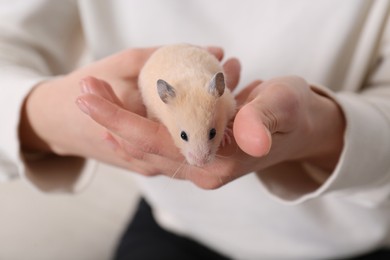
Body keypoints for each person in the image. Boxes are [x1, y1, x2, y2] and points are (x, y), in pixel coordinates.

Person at [1, 0, 390, 259]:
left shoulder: (220, 96)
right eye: (187, 137)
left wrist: (322, 131)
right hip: (176, 224)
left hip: (350, 241)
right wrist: (45, 115)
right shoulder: (166, 100)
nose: (202, 157)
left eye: (208, 136)